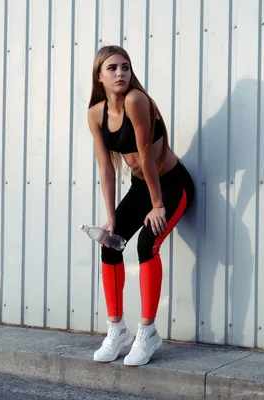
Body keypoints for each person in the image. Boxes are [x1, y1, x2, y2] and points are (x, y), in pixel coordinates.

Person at [86, 45, 195, 366]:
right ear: (100, 76)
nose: (121, 73)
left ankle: (147, 332)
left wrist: (158, 205)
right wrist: (110, 219)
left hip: (171, 184)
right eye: (113, 68)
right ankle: (116, 330)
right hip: (140, 187)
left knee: (147, 244)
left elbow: (146, 154)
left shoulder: (137, 100)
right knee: (110, 243)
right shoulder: (96, 113)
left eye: (126, 67)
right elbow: (106, 167)